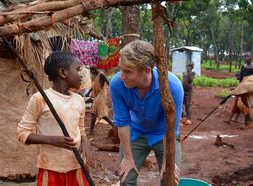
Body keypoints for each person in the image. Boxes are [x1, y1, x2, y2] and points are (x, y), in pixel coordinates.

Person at [110, 40, 183, 186]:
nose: (122, 76)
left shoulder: (172, 87)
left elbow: (171, 128)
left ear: (146, 71)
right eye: (121, 69)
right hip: (135, 132)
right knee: (125, 178)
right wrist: (128, 158)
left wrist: (168, 162)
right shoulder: (117, 84)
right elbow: (122, 123)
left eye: (128, 71)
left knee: (170, 180)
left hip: (164, 134)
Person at [17, 51, 92, 186]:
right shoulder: (40, 99)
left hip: (77, 165)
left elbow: (80, 129)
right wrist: (53, 140)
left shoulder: (79, 100)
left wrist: (85, 141)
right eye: (77, 69)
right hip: (51, 167)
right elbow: (22, 134)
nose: (81, 75)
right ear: (63, 72)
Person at [226, 52, 253, 126]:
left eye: (248, 56)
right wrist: (238, 87)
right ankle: (231, 119)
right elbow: (241, 78)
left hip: (250, 88)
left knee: (247, 105)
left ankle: (246, 122)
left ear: (251, 57)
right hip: (242, 86)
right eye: (245, 56)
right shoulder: (243, 66)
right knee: (238, 103)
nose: (246, 57)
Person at [89, 66, 113, 134]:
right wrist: (88, 92)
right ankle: (91, 130)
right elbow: (93, 86)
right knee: (94, 112)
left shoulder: (101, 74)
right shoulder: (95, 76)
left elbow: (108, 82)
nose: (92, 72)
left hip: (102, 95)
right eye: (91, 71)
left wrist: (113, 91)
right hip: (97, 96)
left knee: (99, 113)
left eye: (93, 70)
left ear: (96, 69)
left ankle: (113, 125)